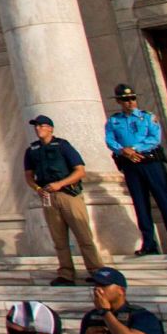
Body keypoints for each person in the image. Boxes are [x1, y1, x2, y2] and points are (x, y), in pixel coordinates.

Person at [104, 82, 167, 256]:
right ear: (119, 101)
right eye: (125, 100)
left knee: (164, 201)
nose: (130, 102)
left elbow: (154, 139)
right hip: (130, 164)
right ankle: (149, 244)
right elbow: (110, 140)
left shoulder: (148, 117)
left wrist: (133, 148)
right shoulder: (114, 121)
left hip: (150, 162)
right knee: (140, 204)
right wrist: (122, 150)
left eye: (132, 98)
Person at [23, 115, 104, 286]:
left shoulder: (63, 146)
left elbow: (80, 171)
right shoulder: (32, 150)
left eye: (42, 126)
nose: (38, 129)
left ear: (50, 128)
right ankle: (66, 273)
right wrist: (37, 189)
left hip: (68, 194)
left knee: (83, 235)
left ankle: (96, 270)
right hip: (47, 196)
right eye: (36, 126)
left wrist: (60, 184)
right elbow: (29, 175)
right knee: (58, 238)